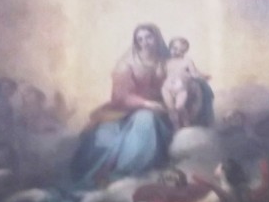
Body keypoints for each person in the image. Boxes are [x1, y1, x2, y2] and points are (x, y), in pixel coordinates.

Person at [72, 24, 174, 190]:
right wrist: (146, 104)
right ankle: (123, 171)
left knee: (149, 119)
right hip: (126, 110)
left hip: (164, 109)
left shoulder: (167, 60)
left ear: (156, 38)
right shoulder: (127, 63)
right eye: (140, 39)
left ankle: (141, 169)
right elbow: (120, 96)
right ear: (136, 42)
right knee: (141, 121)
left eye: (149, 37)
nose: (145, 42)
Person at [161, 38, 213, 129]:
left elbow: (194, 73)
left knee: (179, 107)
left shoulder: (187, 61)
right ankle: (176, 127)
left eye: (181, 50)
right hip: (167, 88)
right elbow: (161, 74)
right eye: (174, 48)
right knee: (171, 109)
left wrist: (203, 77)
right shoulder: (166, 62)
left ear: (185, 52)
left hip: (181, 88)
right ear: (170, 47)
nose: (177, 52)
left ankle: (186, 122)